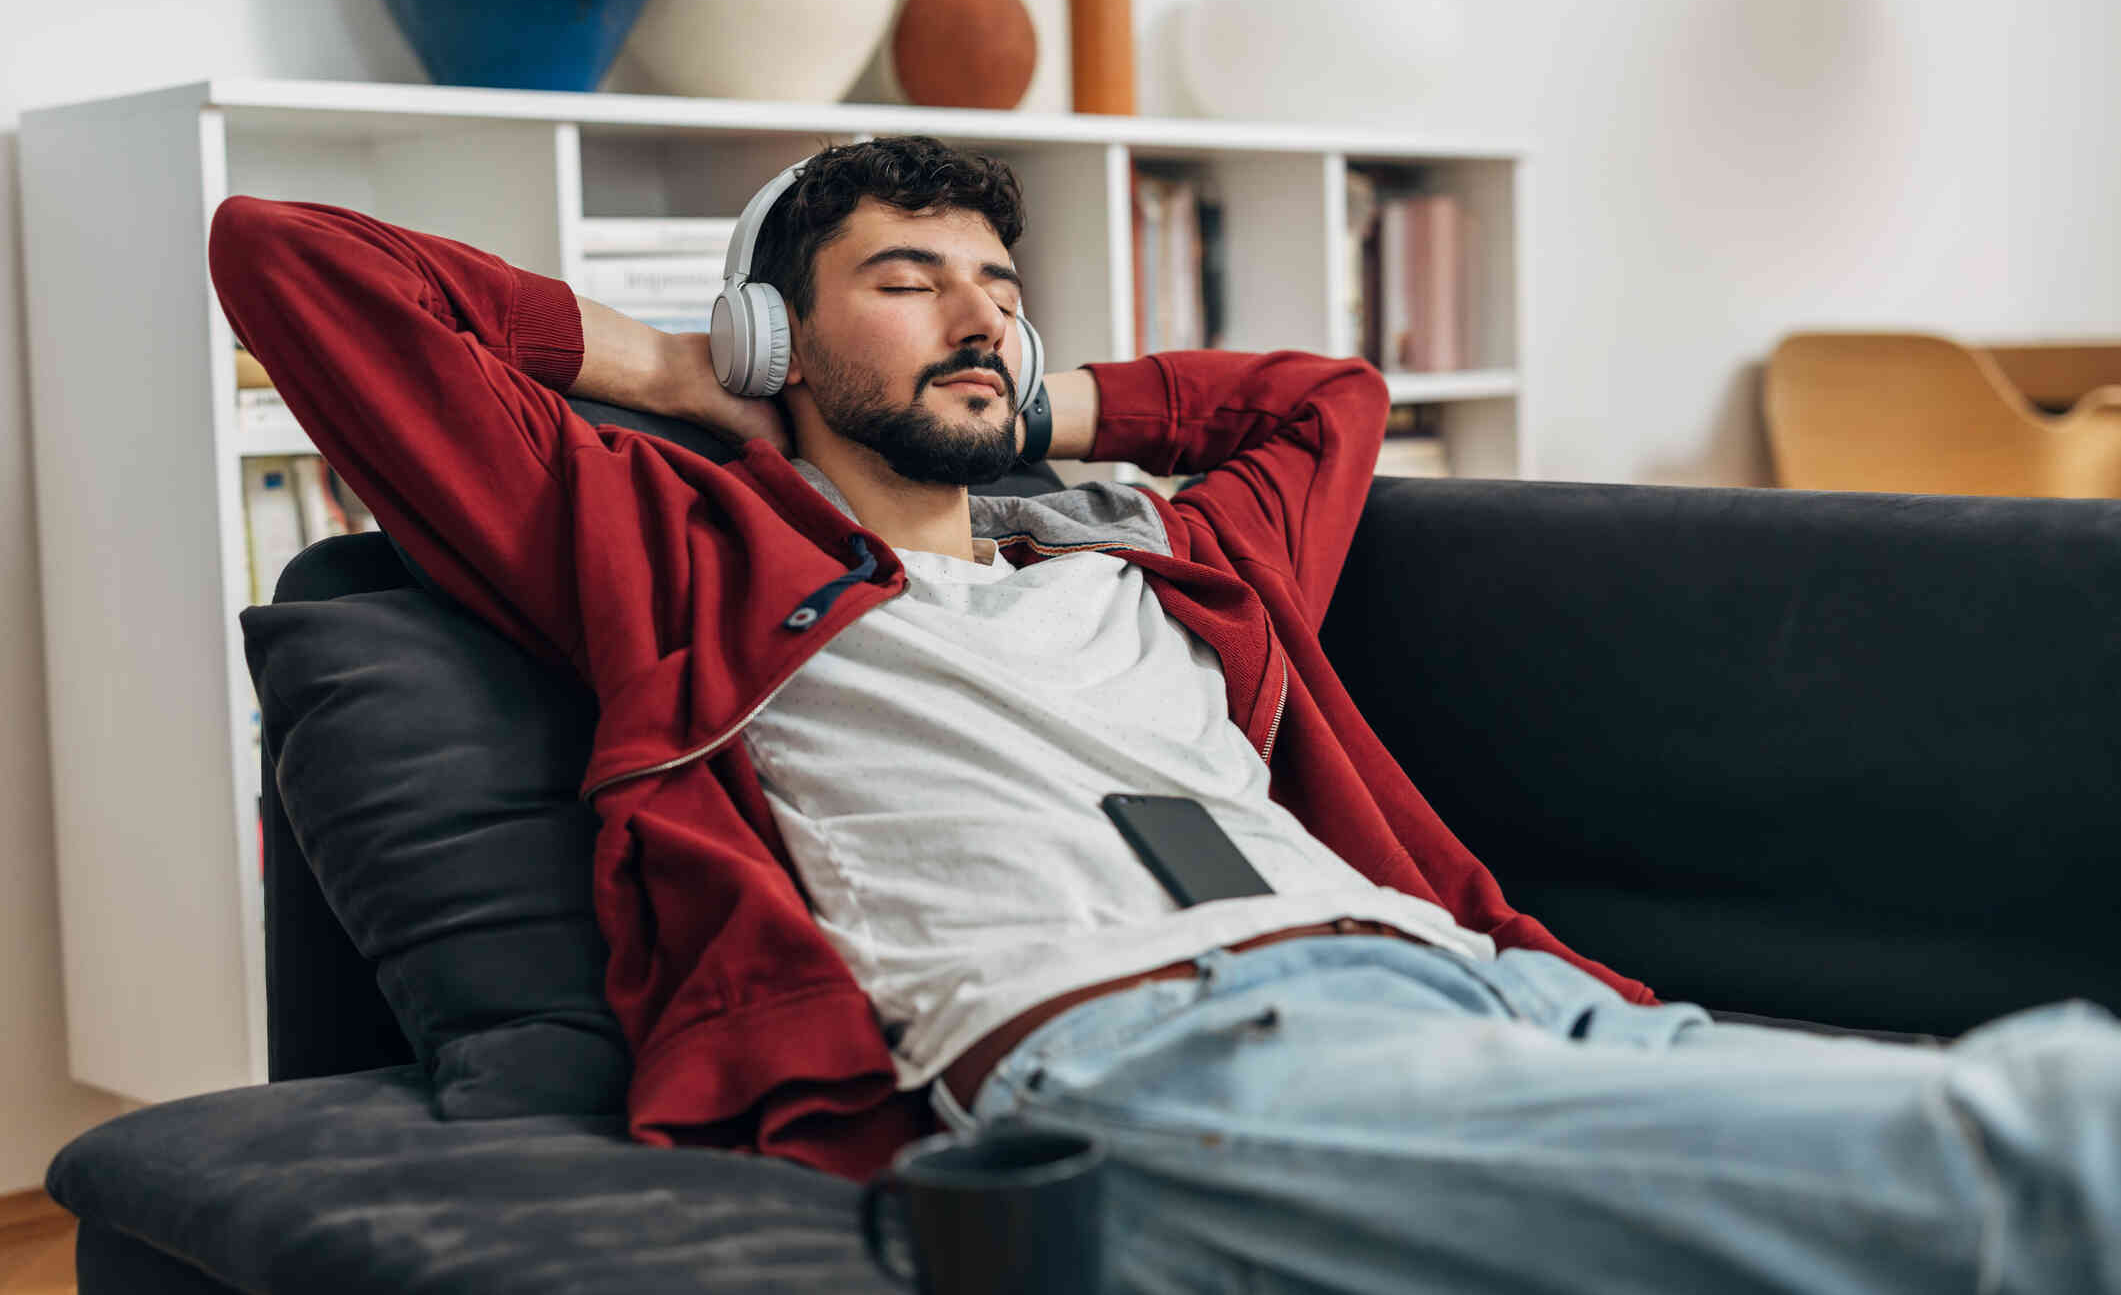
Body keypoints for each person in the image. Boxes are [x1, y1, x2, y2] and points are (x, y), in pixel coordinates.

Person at [208, 135, 2119, 1293]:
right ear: (776, 334)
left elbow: (1324, 395)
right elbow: (292, 262)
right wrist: (676, 372)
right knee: (2043, 1155)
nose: (979, 317)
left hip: (1494, 992)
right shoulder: (679, 545)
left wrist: (1051, 415)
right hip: (1163, 1054)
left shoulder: (1163, 559)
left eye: (999, 291)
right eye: (904, 278)